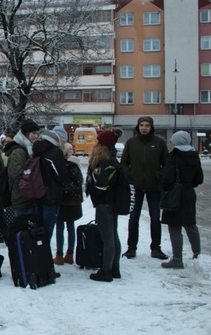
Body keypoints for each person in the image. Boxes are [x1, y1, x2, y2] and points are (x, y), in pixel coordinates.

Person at [121, 116, 169, 259]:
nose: (144, 128)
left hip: (154, 187)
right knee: (133, 217)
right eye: (141, 125)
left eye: (147, 125)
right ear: (138, 127)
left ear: (151, 127)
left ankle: (156, 248)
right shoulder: (131, 143)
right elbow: (124, 162)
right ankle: (131, 248)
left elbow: (166, 163)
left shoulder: (159, 142)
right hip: (136, 187)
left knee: (155, 218)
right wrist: (130, 175)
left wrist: (159, 176)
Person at [160, 131, 204, 269]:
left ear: (176, 142)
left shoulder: (174, 157)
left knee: (174, 226)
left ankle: (177, 259)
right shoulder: (194, 155)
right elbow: (199, 179)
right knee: (191, 224)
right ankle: (198, 254)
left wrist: (164, 188)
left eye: (172, 141)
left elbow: (167, 178)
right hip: (189, 193)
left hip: (175, 194)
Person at [85, 130, 123, 282]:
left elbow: (101, 185)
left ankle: (106, 271)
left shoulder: (104, 161)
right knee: (113, 235)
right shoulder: (112, 159)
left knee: (107, 237)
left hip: (104, 203)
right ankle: (114, 268)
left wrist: (91, 190)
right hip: (112, 202)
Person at [32, 129, 67, 242]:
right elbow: (60, 176)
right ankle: (44, 254)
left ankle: (35, 252)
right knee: (47, 230)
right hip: (51, 196)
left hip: (36, 194)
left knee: (37, 227)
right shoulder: (55, 153)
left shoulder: (35, 151)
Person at [4, 119, 41, 218]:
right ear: (26, 134)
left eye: (37, 133)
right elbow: (16, 174)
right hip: (21, 196)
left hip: (26, 195)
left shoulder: (28, 148)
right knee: (21, 228)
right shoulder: (19, 151)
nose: (36, 136)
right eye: (33, 133)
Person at [55, 143, 83, 265]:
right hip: (74, 200)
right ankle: (70, 254)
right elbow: (80, 181)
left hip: (62, 200)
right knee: (71, 226)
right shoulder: (75, 165)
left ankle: (59, 255)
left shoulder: (60, 165)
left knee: (59, 226)